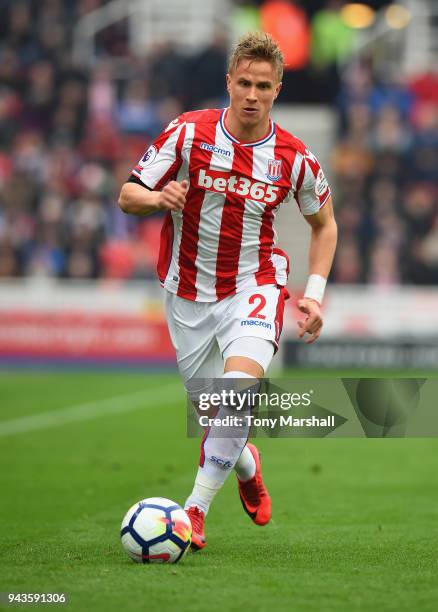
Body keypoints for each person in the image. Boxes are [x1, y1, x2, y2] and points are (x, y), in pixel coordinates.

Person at [118, 32, 337, 551]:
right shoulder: (188, 133)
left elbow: (324, 224)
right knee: (214, 413)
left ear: (278, 89)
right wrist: (156, 196)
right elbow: (127, 195)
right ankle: (245, 461)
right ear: (228, 83)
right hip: (187, 290)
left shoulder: (295, 158)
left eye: (264, 85)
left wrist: (315, 293)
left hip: (255, 283)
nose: (252, 95)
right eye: (244, 83)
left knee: (234, 398)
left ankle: (193, 510)